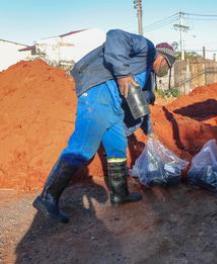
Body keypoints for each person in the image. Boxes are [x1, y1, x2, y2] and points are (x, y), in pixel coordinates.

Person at [33, 29, 176, 223]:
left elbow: (139, 105)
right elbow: (114, 36)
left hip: (112, 106)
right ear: (161, 57)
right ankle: (47, 197)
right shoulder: (147, 47)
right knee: (84, 147)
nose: (165, 70)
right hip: (97, 94)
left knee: (117, 146)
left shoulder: (148, 77)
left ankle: (119, 194)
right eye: (167, 65)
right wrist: (124, 75)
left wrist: (150, 132)